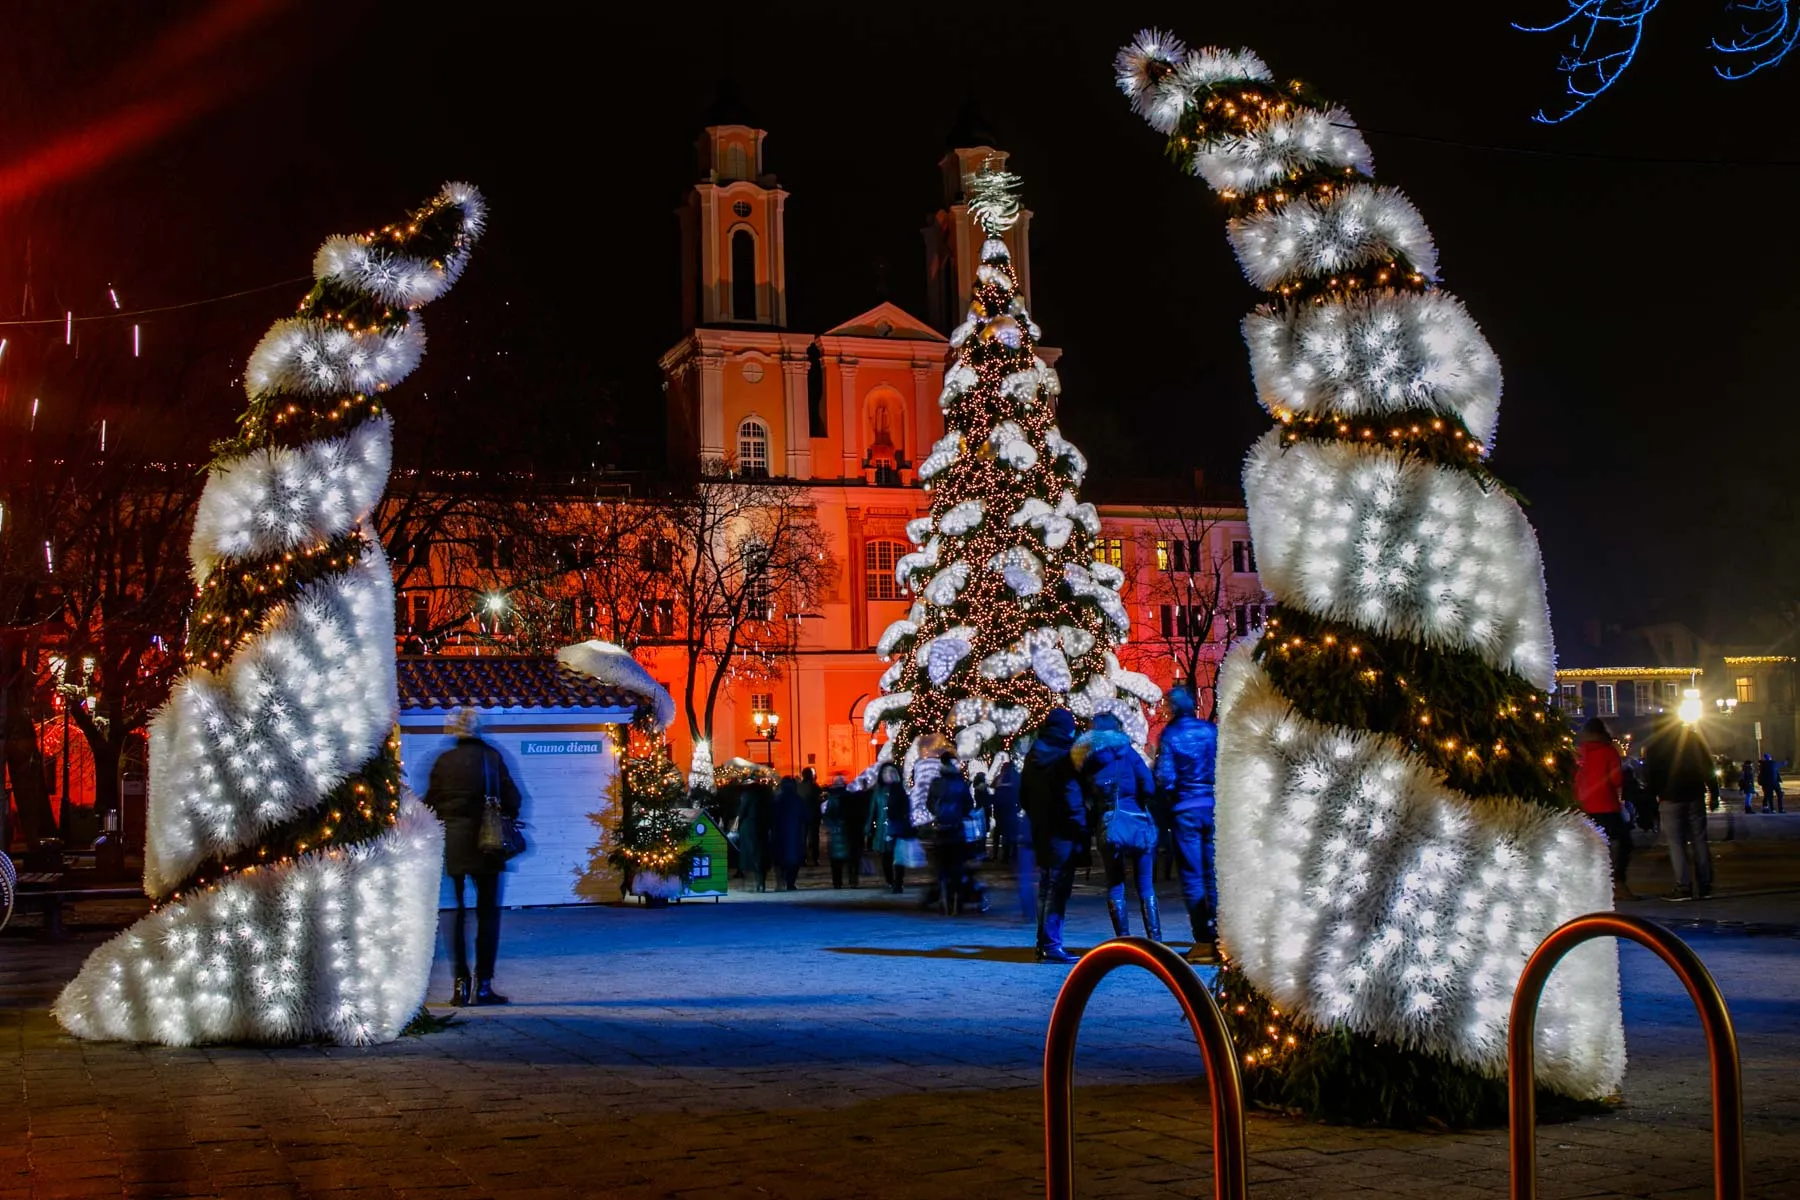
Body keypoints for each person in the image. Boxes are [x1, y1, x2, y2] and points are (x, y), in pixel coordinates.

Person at [421, 708, 522, 1007]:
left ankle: (460, 986)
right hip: (487, 844)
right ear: (479, 728)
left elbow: (429, 804)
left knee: (457, 914)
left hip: (454, 845)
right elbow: (513, 799)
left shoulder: (444, 761)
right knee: (487, 915)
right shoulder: (491, 758)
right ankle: (484, 985)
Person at [1074, 712, 1161, 940]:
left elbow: (1085, 795)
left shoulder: (1090, 761)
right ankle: (1155, 940)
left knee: (1115, 884)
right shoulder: (1129, 754)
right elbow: (1149, 786)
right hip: (1137, 823)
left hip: (1110, 825)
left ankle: (1124, 939)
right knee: (1145, 884)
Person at [1154, 686, 1220, 962]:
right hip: (1212, 807)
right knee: (1213, 873)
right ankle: (1220, 934)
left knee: (1193, 875)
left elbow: (1165, 777)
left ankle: (1203, 938)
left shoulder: (1170, 735)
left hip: (1186, 810)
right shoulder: (1211, 731)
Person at [1021, 708, 1085, 963]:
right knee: (1057, 889)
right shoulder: (1065, 756)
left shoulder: (1034, 754)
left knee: (1047, 887)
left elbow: (1024, 795)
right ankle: (1051, 945)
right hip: (1063, 830)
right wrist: (1080, 824)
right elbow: (1071, 794)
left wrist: (1038, 817)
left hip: (1042, 829)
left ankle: (1044, 943)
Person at [1642, 714, 1715, 901]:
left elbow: (1650, 775)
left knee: (1676, 843)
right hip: (1695, 793)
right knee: (1699, 840)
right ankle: (1705, 885)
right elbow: (1707, 766)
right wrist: (1713, 792)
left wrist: (1652, 801)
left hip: (1670, 797)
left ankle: (1684, 886)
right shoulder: (1692, 738)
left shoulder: (1655, 745)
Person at [1574, 717, 1633, 900]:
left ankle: (1592, 886)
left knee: (1592, 847)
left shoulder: (1579, 753)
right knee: (1622, 843)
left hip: (1584, 806)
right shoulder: (1609, 751)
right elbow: (1617, 780)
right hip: (1607, 805)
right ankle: (1617, 883)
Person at [927, 753, 976, 915]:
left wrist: (938, 814)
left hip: (940, 831)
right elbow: (969, 804)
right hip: (956, 831)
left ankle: (942, 897)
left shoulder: (936, 784)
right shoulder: (960, 783)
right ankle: (957, 900)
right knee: (957, 866)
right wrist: (961, 813)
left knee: (941, 866)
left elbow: (929, 804)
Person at [736, 776, 773, 892]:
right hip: (763, 825)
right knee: (761, 852)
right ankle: (761, 882)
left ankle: (755, 882)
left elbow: (742, 811)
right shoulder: (766, 794)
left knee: (752, 853)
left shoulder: (747, 795)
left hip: (750, 826)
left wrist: (739, 822)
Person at [770, 776, 807, 891]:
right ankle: (790, 883)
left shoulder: (776, 800)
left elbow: (770, 817)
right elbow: (806, 817)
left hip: (779, 833)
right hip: (795, 834)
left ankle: (780, 882)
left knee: (779, 858)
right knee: (794, 859)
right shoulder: (798, 800)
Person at [838, 772, 871, 886]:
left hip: (849, 830)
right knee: (856, 854)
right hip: (857, 830)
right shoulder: (859, 799)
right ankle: (854, 877)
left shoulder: (845, 799)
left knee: (850, 854)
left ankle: (851, 876)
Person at [821, 776, 851, 888]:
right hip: (844, 831)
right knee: (843, 858)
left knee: (835, 860)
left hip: (836, 832)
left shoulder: (832, 799)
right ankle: (845, 880)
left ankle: (837, 881)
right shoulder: (848, 797)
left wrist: (831, 826)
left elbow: (827, 816)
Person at [865, 768, 892, 886]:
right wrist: (868, 827)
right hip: (882, 828)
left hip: (894, 827)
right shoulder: (878, 792)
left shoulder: (897, 791)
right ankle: (889, 879)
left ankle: (895, 879)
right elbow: (872, 811)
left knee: (894, 854)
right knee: (886, 855)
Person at [991, 760, 1021, 864]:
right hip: (1010, 809)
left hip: (1001, 810)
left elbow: (993, 787)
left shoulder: (1000, 777)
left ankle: (1002, 856)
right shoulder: (1016, 777)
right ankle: (1013, 855)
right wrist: (1018, 807)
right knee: (1011, 834)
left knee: (1001, 833)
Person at [798, 767, 823, 866]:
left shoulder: (799, 787)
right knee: (814, 838)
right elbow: (820, 794)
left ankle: (802, 858)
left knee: (802, 839)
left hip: (802, 816)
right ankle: (815, 858)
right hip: (813, 816)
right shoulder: (814, 786)